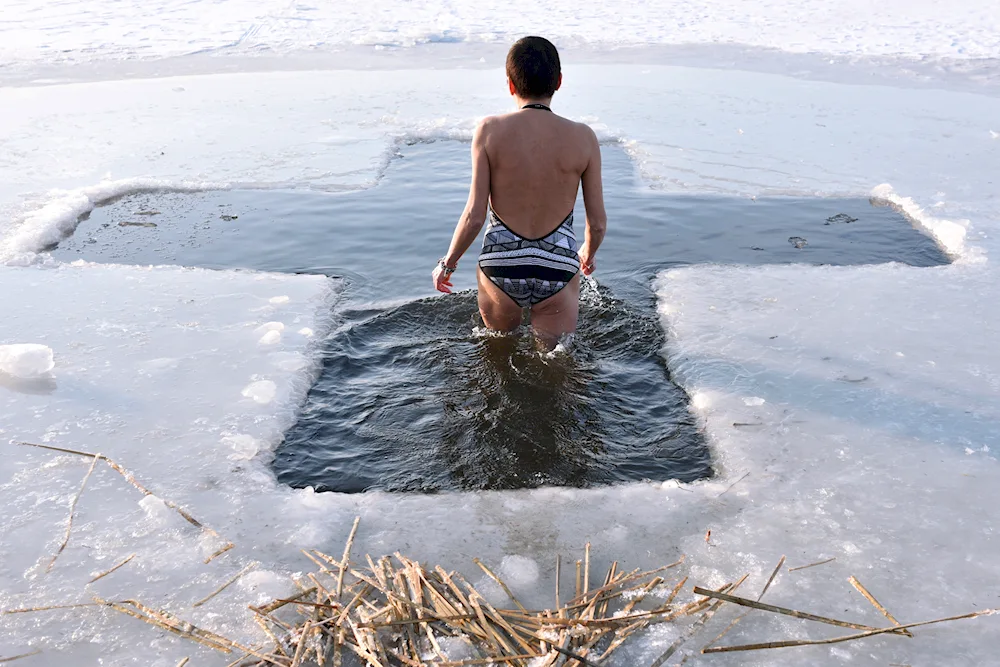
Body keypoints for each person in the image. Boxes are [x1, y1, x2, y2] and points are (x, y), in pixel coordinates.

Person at [432, 36, 607, 349]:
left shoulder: (489, 130)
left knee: (497, 355)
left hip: (501, 264)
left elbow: (474, 216)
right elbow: (597, 223)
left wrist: (448, 264)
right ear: (559, 81)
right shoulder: (584, 138)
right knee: (556, 366)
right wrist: (587, 254)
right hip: (558, 267)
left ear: (510, 84)